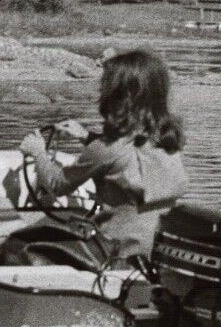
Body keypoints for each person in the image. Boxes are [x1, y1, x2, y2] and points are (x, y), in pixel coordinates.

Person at [11, 48, 188, 268]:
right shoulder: (167, 139)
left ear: (119, 96)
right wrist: (86, 136)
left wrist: (37, 151)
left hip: (114, 253)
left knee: (17, 243)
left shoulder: (107, 148)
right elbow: (129, 160)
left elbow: (57, 184)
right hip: (154, 252)